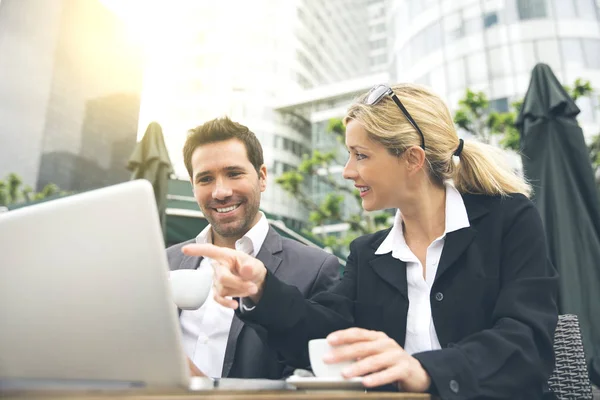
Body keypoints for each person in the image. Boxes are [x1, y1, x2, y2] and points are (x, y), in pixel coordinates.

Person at [182, 84, 559, 399]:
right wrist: (262, 290)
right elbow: (326, 333)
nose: (348, 172)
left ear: (412, 159)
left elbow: (527, 342)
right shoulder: (369, 252)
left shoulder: (508, 220)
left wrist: (424, 370)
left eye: (360, 155)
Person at [167, 117, 341, 379]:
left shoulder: (316, 268)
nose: (221, 192)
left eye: (234, 174)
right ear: (193, 187)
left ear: (261, 178)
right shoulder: (166, 262)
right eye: (205, 179)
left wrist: (208, 394)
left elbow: (318, 374)